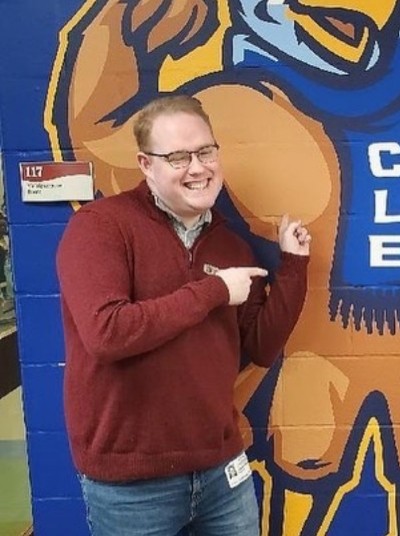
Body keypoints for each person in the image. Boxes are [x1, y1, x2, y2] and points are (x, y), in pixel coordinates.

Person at [56, 94, 310, 536]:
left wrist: (293, 267)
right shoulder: (100, 227)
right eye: (177, 156)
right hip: (132, 484)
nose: (197, 167)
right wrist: (213, 291)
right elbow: (106, 332)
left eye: (205, 151)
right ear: (146, 164)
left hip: (221, 470)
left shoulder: (231, 247)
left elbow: (261, 347)